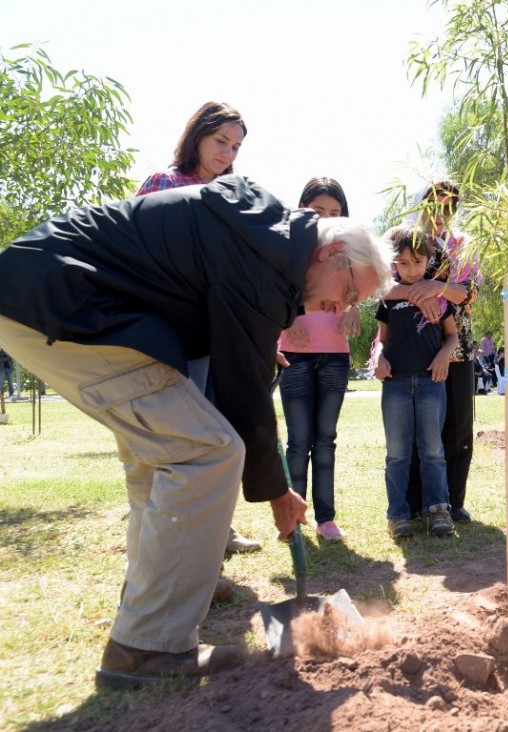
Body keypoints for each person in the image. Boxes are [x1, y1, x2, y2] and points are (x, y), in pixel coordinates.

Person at [0, 175, 393, 688]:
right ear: (330, 251)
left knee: (165, 457)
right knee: (206, 452)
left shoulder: (265, 241)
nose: (341, 310)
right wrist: (276, 490)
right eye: (348, 292)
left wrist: (250, 352)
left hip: (39, 291)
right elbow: (242, 394)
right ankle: (147, 647)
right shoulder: (265, 259)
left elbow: (230, 347)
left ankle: (144, 616)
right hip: (67, 301)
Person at [136, 101, 259, 560]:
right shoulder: (163, 183)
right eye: (220, 142)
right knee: (178, 442)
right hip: (166, 332)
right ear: (197, 137)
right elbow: (139, 252)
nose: (227, 153)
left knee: (214, 437)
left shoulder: (232, 195)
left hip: (215, 335)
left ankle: (217, 534)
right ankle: (171, 546)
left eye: (236, 146)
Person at [389, 181, 482, 524]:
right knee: (414, 429)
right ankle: (414, 503)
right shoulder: (400, 239)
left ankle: (452, 502)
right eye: (434, 208)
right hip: (409, 348)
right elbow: (384, 287)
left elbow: (470, 292)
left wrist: (437, 287)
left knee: (457, 428)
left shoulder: (464, 245)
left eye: (448, 208)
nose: (441, 216)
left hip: (456, 346)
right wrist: (422, 297)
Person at [276, 178, 358, 542]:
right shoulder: (288, 246)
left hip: (335, 355)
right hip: (293, 354)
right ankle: (293, 517)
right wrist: (287, 320)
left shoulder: (351, 251)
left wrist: (356, 306)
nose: (327, 218)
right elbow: (272, 294)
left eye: (335, 212)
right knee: (298, 441)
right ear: (301, 209)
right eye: (318, 211)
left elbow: (363, 289)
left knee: (325, 439)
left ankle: (326, 518)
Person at [374, 224, 458, 538]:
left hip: (431, 384)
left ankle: (438, 510)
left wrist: (443, 356)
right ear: (394, 264)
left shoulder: (439, 296)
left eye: (418, 262)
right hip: (395, 384)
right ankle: (398, 515)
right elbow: (382, 341)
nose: (412, 269)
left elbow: (452, 337)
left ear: (429, 260)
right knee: (397, 452)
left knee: (433, 450)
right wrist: (380, 359)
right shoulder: (388, 300)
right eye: (404, 263)